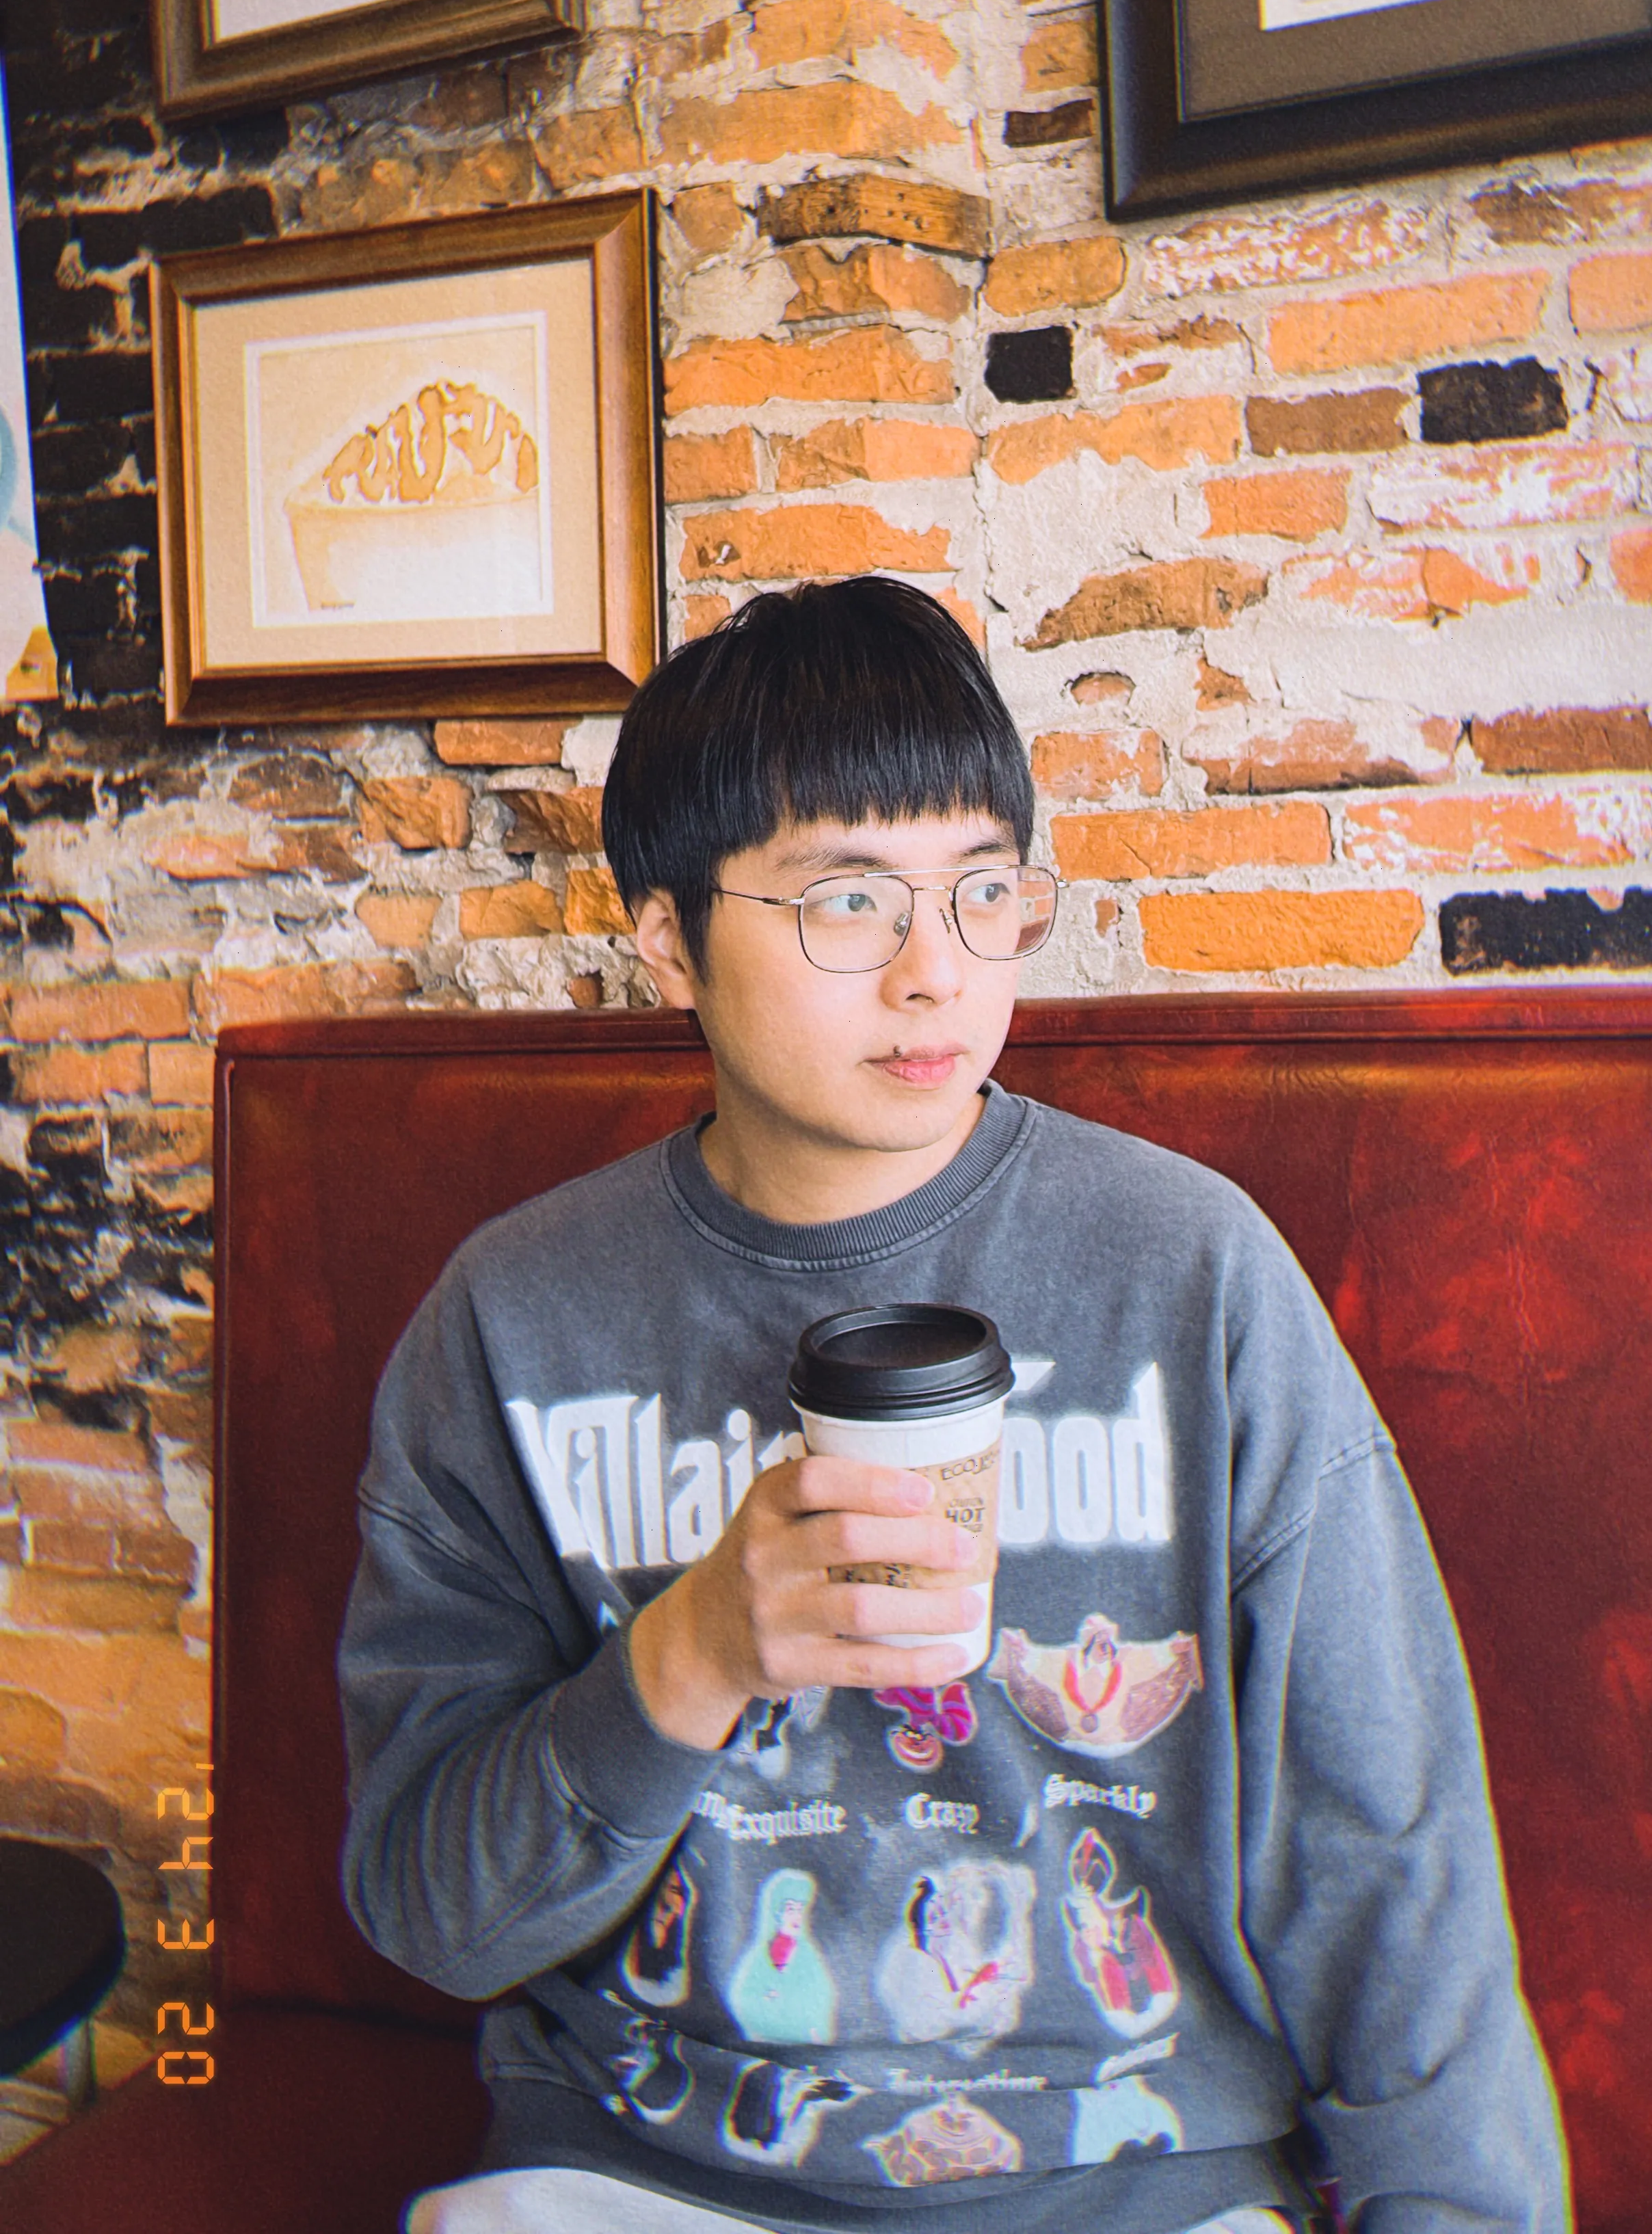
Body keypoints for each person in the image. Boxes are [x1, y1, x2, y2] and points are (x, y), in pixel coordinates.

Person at [338, 576, 1570, 2234]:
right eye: (848, 901)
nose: (938, 974)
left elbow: (1384, 1835)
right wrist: (692, 1654)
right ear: (663, 939)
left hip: (1135, 2185)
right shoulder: (512, 1319)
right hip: (650, 2177)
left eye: (982, 891)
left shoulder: (1186, 1272)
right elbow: (432, 1905)